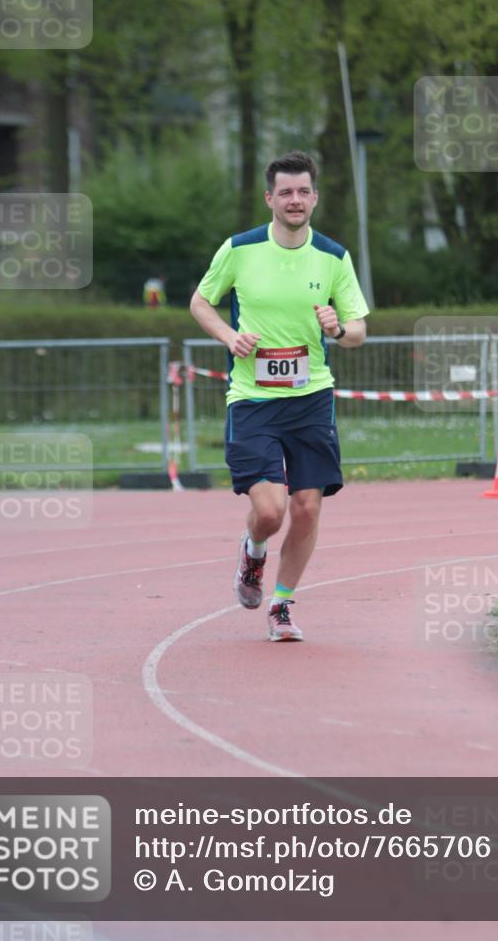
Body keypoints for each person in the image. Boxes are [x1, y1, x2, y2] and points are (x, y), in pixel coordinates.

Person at [190, 150, 369, 642]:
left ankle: (283, 605)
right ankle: (253, 549)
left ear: (315, 198)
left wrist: (338, 328)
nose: (295, 200)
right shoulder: (240, 249)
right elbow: (200, 302)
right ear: (270, 198)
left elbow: (358, 329)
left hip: (311, 395)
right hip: (252, 397)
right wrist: (230, 338)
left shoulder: (333, 257)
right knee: (271, 511)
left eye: (303, 191)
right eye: (285, 192)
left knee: (307, 506)